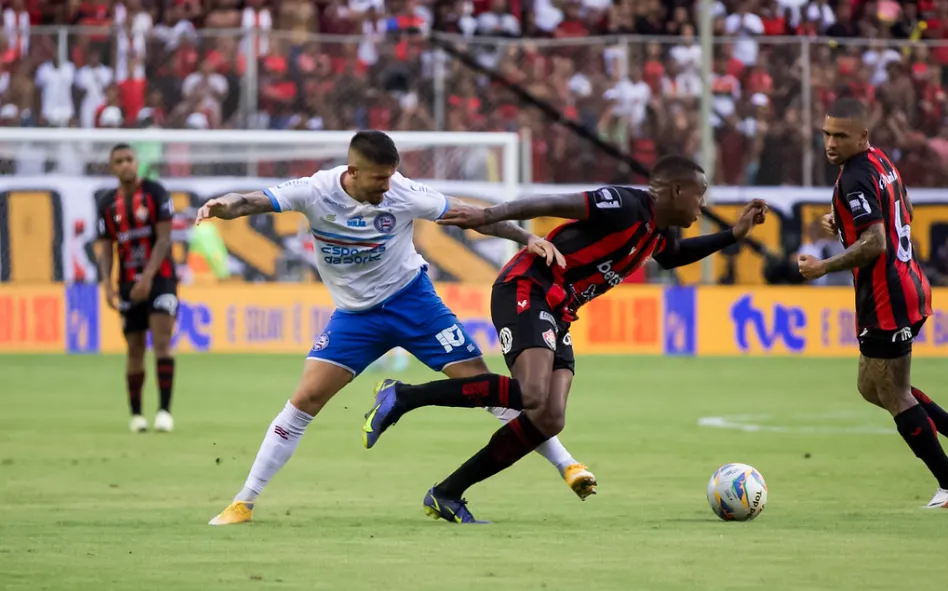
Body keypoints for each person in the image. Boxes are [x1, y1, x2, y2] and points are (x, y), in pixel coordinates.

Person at [198, 131, 597, 526]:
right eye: (379, 179)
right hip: (356, 318)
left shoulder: (403, 193)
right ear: (352, 171)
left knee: (483, 386)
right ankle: (244, 502)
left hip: (415, 304)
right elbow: (251, 200)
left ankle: (566, 464)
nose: (388, 187)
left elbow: (472, 216)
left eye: (392, 177)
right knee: (304, 401)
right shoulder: (315, 190)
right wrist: (223, 206)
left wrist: (525, 236)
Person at [363, 155, 768, 523]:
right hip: (528, 287)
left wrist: (734, 235)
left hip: (558, 311)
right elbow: (547, 203)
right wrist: (490, 215)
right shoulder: (625, 205)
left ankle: (448, 493)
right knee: (533, 393)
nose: (702, 206)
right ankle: (402, 396)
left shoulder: (656, 234)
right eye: (700, 195)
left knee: (549, 416)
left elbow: (673, 256)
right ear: (677, 190)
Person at [799, 97, 948, 510]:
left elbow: (877, 241)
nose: (830, 142)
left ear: (863, 136)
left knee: (894, 393)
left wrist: (823, 265)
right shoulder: (880, 162)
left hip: (889, 297)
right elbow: (905, 210)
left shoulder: (855, 177)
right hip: (904, 287)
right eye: (827, 133)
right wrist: (845, 220)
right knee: (872, 387)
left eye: (840, 136)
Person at [95, 143, 177, 433]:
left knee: (162, 341)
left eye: (129, 159)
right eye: (119, 161)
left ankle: (165, 411)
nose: (125, 165)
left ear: (137, 162)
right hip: (127, 282)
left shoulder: (155, 192)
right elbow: (106, 248)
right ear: (112, 167)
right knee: (134, 348)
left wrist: (148, 279)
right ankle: (137, 415)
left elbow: (164, 239)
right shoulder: (107, 203)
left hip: (162, 279)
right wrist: (106, 283)